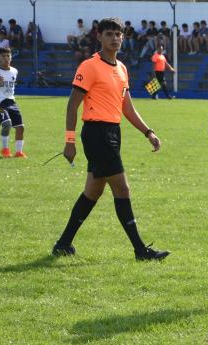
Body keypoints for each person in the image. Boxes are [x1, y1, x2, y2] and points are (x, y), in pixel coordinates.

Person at [54, 17, 168, 262]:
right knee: (122, 188)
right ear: (99, 36)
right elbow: (72, 105)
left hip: (112, 133)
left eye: (118, 34)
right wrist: (69, 140)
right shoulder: (89, 66)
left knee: (93, 192)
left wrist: (148, 132)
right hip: (97, 134)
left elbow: (127, 108)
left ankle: (63, 244)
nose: (115, 38)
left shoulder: (122, 68)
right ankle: (140, 250)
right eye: (109, 34)